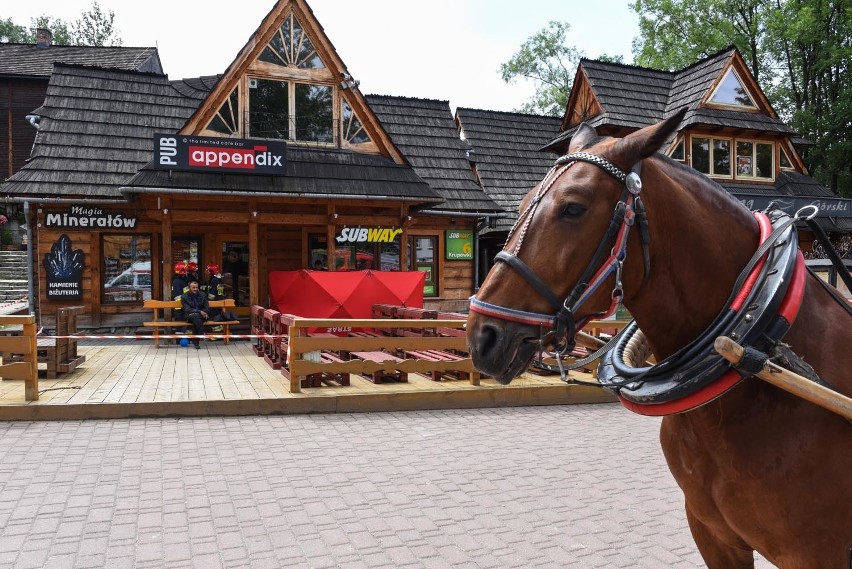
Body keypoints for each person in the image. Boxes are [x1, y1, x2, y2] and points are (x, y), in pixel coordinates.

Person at [181, 279, 209, 349]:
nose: (195, 289)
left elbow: (207, 308)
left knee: (196, 319)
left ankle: (196, 342)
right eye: (193, 287)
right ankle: (201, 332)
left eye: (196, 287)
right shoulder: (184, 297)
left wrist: (204, 312)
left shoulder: (203, 295)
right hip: (189, 316)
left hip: (202, 316)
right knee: (196, 316)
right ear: (189, 288)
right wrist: (199, 312)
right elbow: (187, 310)